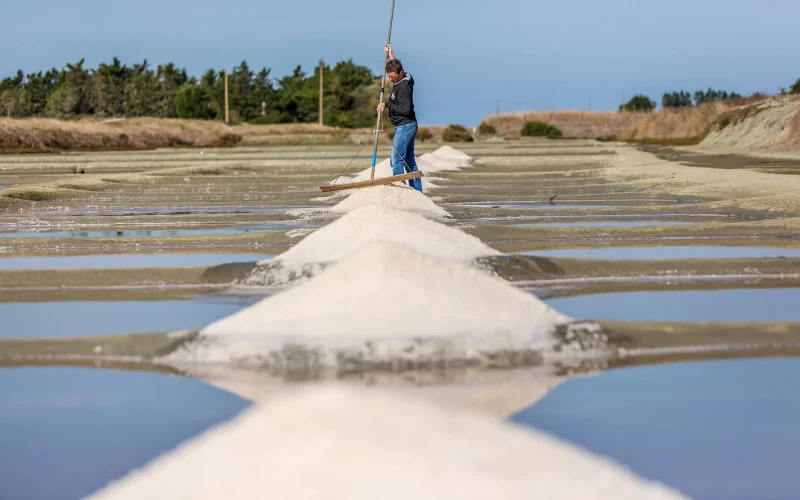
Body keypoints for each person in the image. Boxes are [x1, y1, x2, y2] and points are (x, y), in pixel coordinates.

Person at [376, 44, 423, 192]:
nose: (390, 79)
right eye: (388, 76)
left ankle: (400, 191)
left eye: (392, 76)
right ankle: (417, 192)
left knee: (396, 159)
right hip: (408, 125)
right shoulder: (405, 78)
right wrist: (391, 55)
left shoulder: (403, 88)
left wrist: (387, 104)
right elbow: (397, 66)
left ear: (400, 73)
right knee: (409, 161)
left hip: (405, 126)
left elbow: (406, 109)